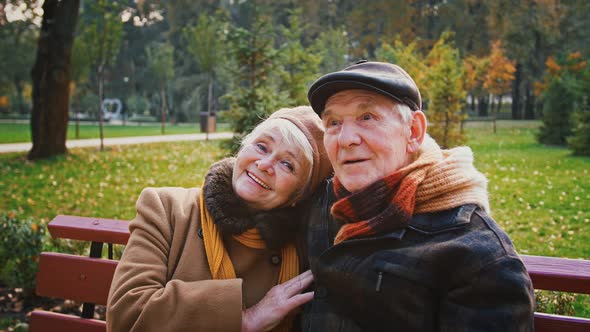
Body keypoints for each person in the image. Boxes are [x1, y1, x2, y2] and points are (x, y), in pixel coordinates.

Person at [301, 61, 535, 331]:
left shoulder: (476, 256)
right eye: (333, 122)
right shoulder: (326, 204)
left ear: (413, 132)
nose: (346, 138)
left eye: (367, 117)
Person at [107, 106, 333, 332]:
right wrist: (244, 319)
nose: (264, 165)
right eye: (262, 146)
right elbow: (126, 315)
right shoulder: (165, 208)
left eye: (287, 164)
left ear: (299, 195)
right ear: (242, 149)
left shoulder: (301, 247)